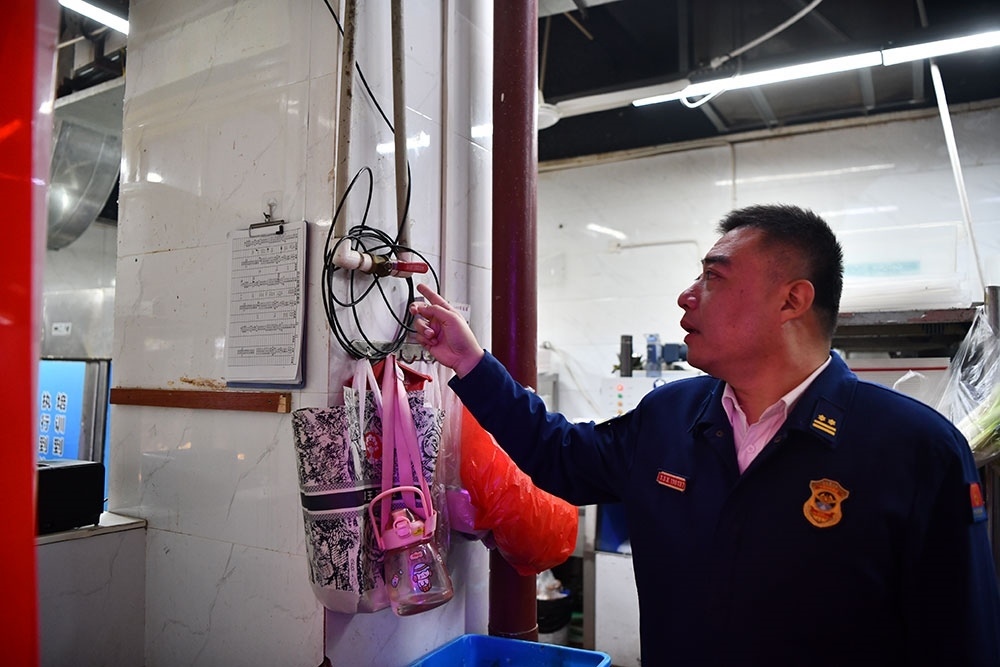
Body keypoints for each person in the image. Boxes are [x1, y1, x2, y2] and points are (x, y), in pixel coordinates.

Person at [409, 204, 1000, 666]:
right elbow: (556, 453)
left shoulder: (917, 450)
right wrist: (471, 363)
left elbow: (961, 642)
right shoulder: (670, 416)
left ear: (793, 299)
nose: (687, 295)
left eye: (713, 277)